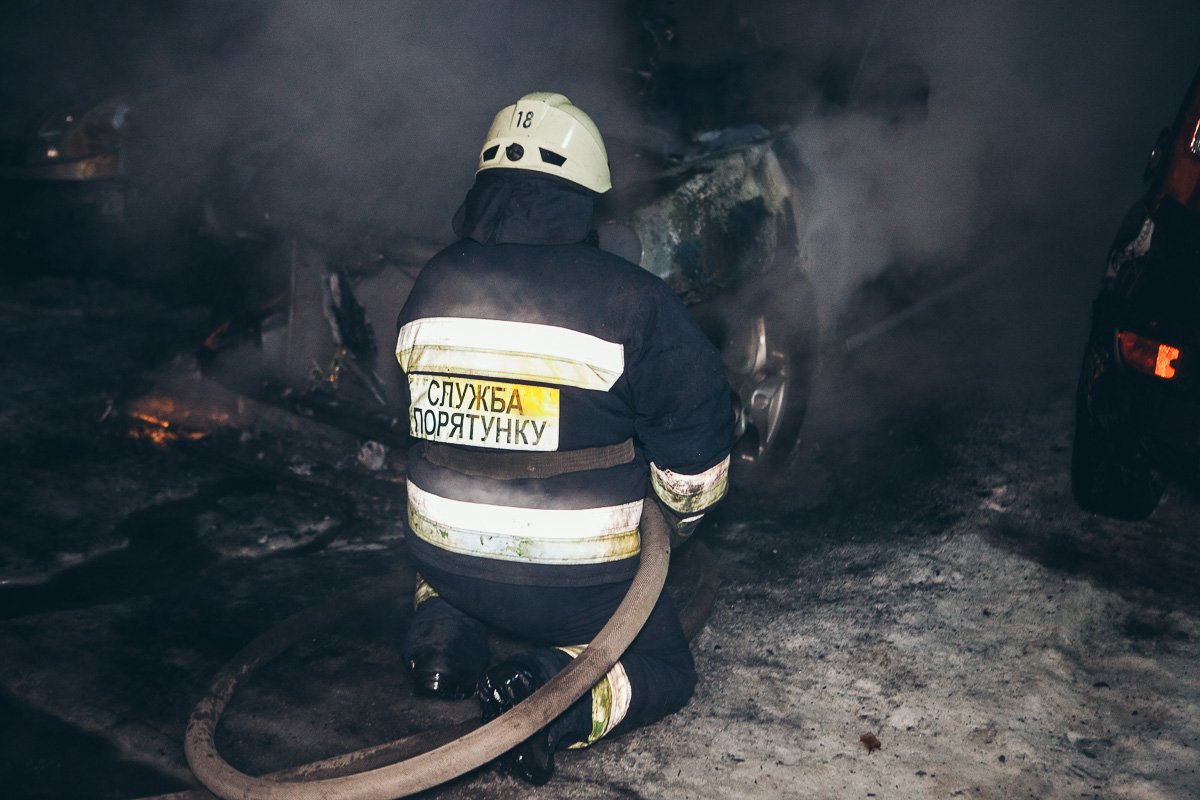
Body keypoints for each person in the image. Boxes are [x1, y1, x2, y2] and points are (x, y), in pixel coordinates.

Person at [394, 91, 734, 784]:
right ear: (588, 197)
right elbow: (697, 461)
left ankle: (441, 651)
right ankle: (544, 698)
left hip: (444, 558)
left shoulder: (429, 282)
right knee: (667, 670)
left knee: (445, 578)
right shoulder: (635, 300)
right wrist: (671, 527)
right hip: (579, 586)